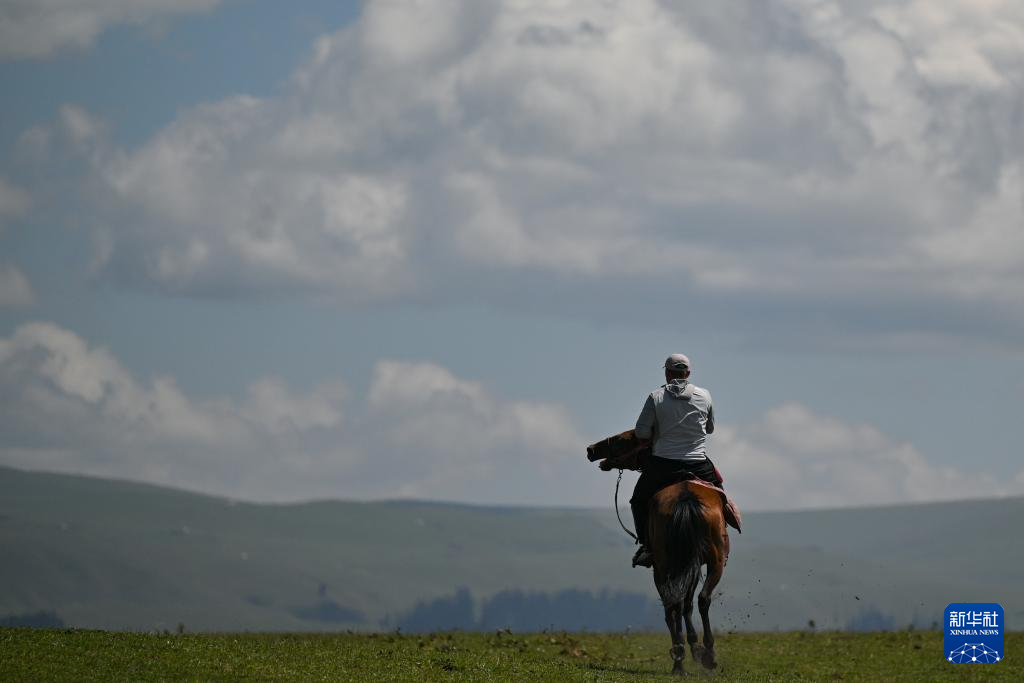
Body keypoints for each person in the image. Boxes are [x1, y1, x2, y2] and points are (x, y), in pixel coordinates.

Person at [630, 353, 721, 568]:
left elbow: (642, 433)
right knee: (721, 497)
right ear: (688, 373)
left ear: (667, 373)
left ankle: (646, 546)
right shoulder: (705, 395)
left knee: (638, 500)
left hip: (664, 464)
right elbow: (710, 428)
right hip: (698, 463)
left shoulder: (656, 397)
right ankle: (722, 538)